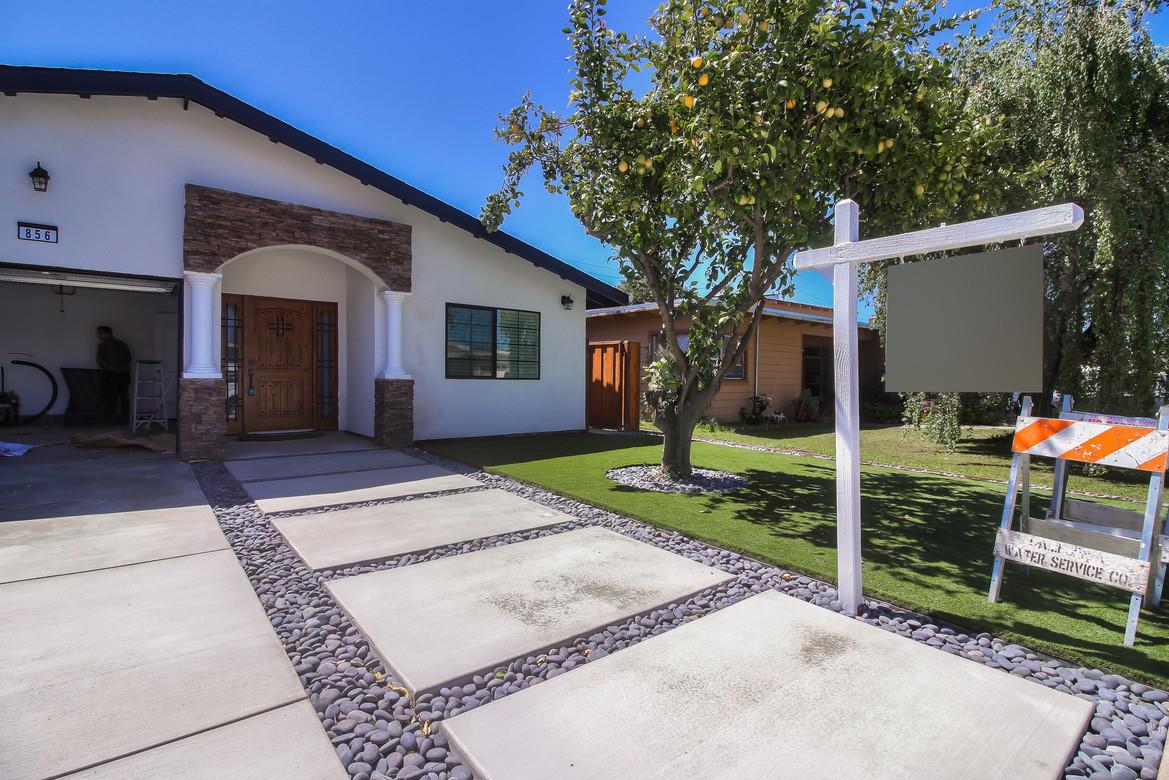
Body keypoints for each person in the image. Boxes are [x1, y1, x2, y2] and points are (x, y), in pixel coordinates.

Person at [96, 325, 132, 423]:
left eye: (99, 333)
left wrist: (109, 368)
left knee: (109, 398)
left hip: (110, 375)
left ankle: (109, 419)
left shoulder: (103, 345)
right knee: (123, 397)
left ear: (106, 333)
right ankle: (124, 418)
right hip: (124, 375)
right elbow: (129, 359)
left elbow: (99, 361)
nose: (98, 335)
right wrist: (121, 368)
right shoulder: (122, 344)